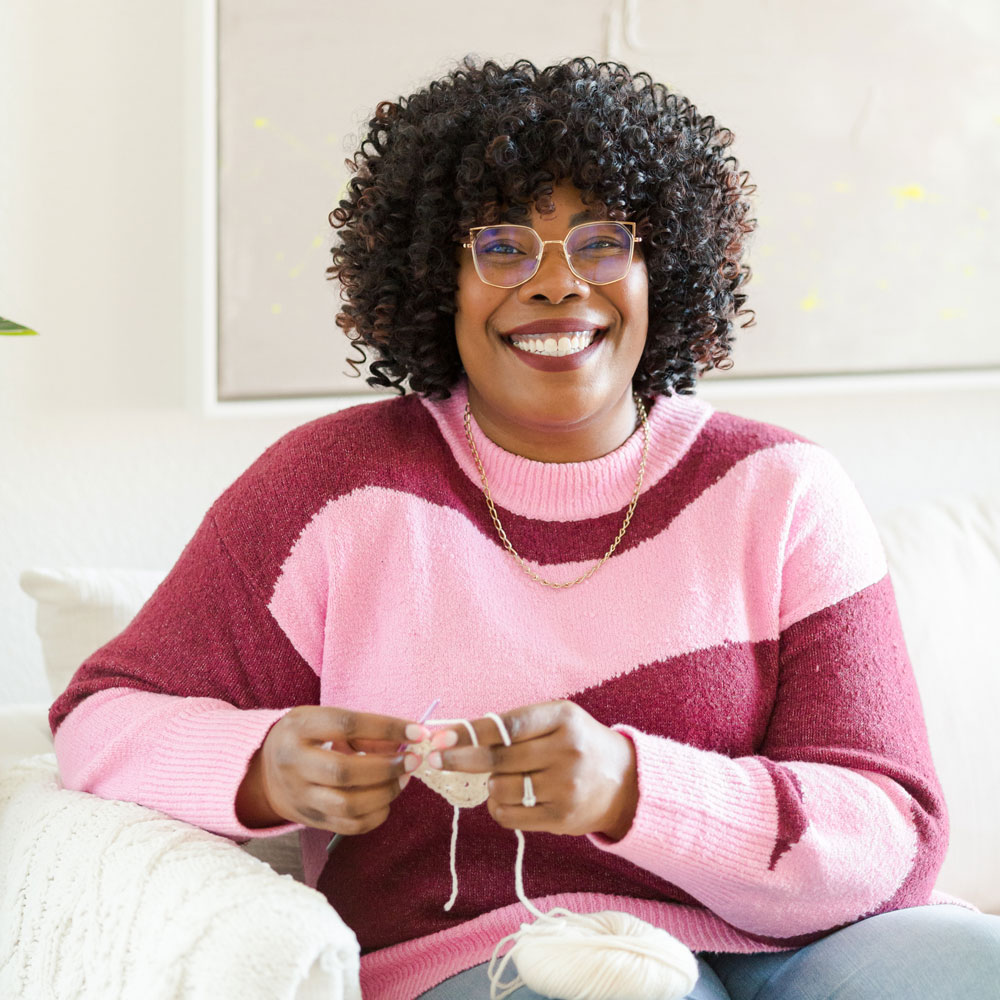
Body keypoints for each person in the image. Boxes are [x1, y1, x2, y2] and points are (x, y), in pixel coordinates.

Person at [50, 56, 1000, 999]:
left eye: (601, 242)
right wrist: (263, 771)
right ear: (433, 280)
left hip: (809, 949)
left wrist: (633, 790)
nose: (556, 284)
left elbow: (891, 831)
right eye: (502, 248)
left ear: (661, 264)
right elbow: (101, 723)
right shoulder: (334, 490)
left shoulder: (781, 491)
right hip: (490, 958)